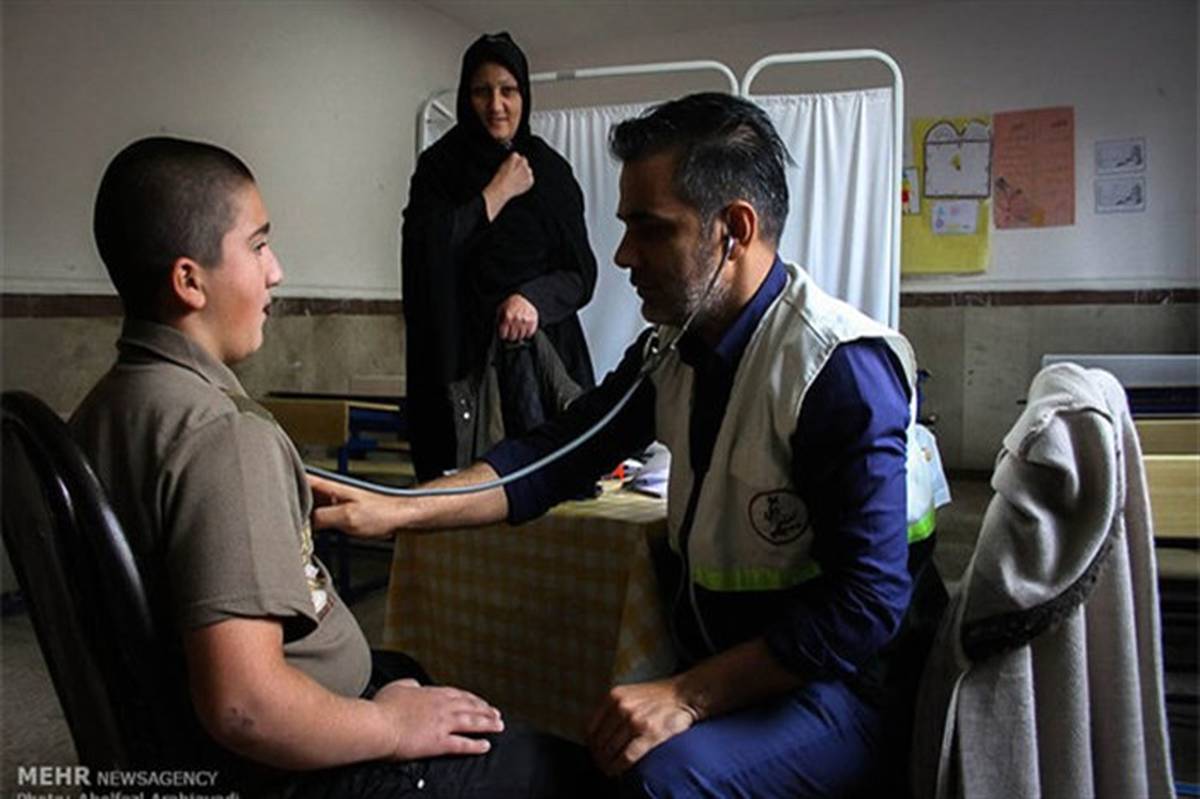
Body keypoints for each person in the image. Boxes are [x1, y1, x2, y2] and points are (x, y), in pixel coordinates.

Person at [311, 93, 948, 798]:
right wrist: (396, 509)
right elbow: (554, 457)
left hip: (847, 685)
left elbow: (866, 605)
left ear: (734, 230)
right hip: (746, 663)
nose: (622, 256)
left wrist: (690, 694)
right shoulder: (674, 349)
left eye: (650, 229)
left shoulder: (837, 368)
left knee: (660, 780)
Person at [71, 136, 601, 798]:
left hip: (194, 739)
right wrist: (389, 726)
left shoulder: (102, 408)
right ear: (189, 280)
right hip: (292, 766)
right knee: (569, 773)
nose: (276, 271)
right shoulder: (223, 436)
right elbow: (245, 706)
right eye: (259, 246)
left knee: (406, 669)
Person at [402, 32, 598, 481]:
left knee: (550, 490)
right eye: (481, 91)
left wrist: (532, 299)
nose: (496, 105)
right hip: (459, 366)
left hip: (543, 367)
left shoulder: (549, 171)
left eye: (508, 90)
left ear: (524, 95)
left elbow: (581, 273)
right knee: (461, 497)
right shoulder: (439, 169)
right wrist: (495, 194)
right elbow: (425, 253)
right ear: (465, 97)